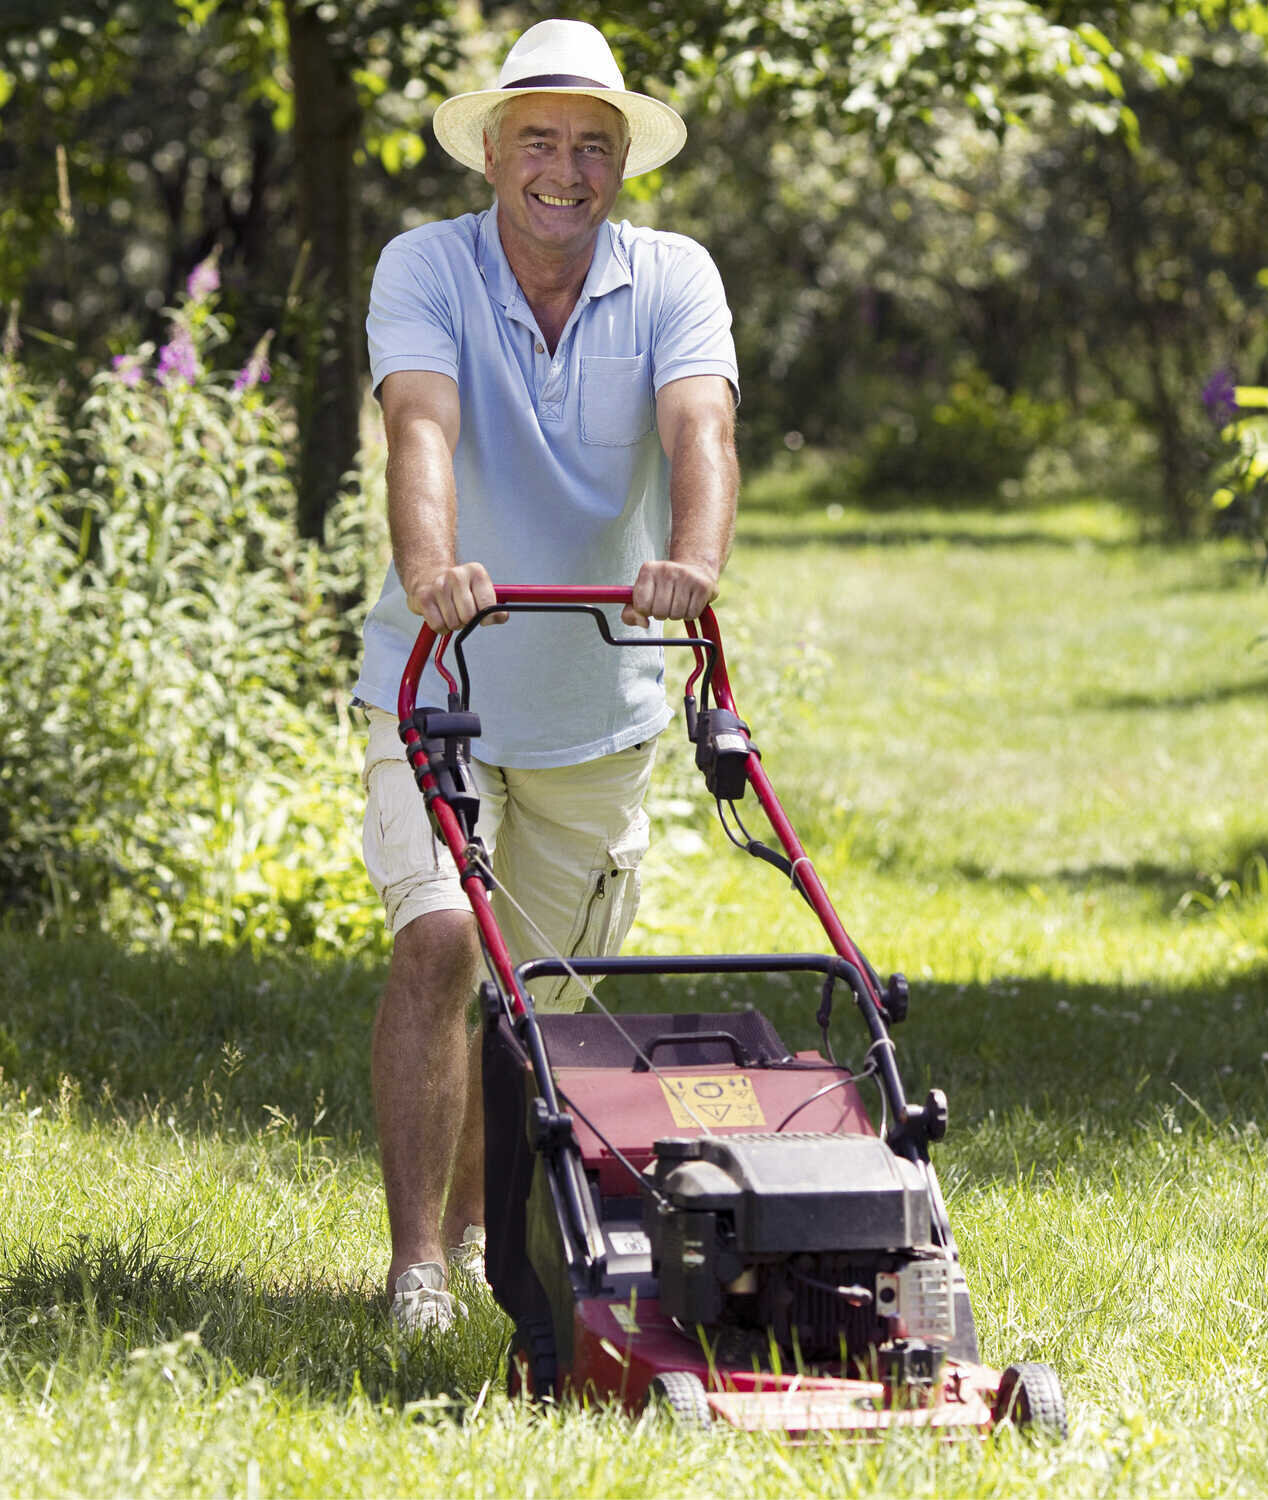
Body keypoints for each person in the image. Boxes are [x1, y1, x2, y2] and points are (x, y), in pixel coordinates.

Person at [350, 18, 740, 1332]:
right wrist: (432, 573)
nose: (563, 171)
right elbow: (420, 424)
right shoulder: (425, 267)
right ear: (494, 154)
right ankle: (415, 1269)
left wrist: (693, 560)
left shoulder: (676, 275)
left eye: (590, 146)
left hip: (597, 697)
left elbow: (702, 428)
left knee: (535, 1013)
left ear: (619, 162)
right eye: (539, 142)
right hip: (436, 682)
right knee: (442, 942)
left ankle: (475, 1241)